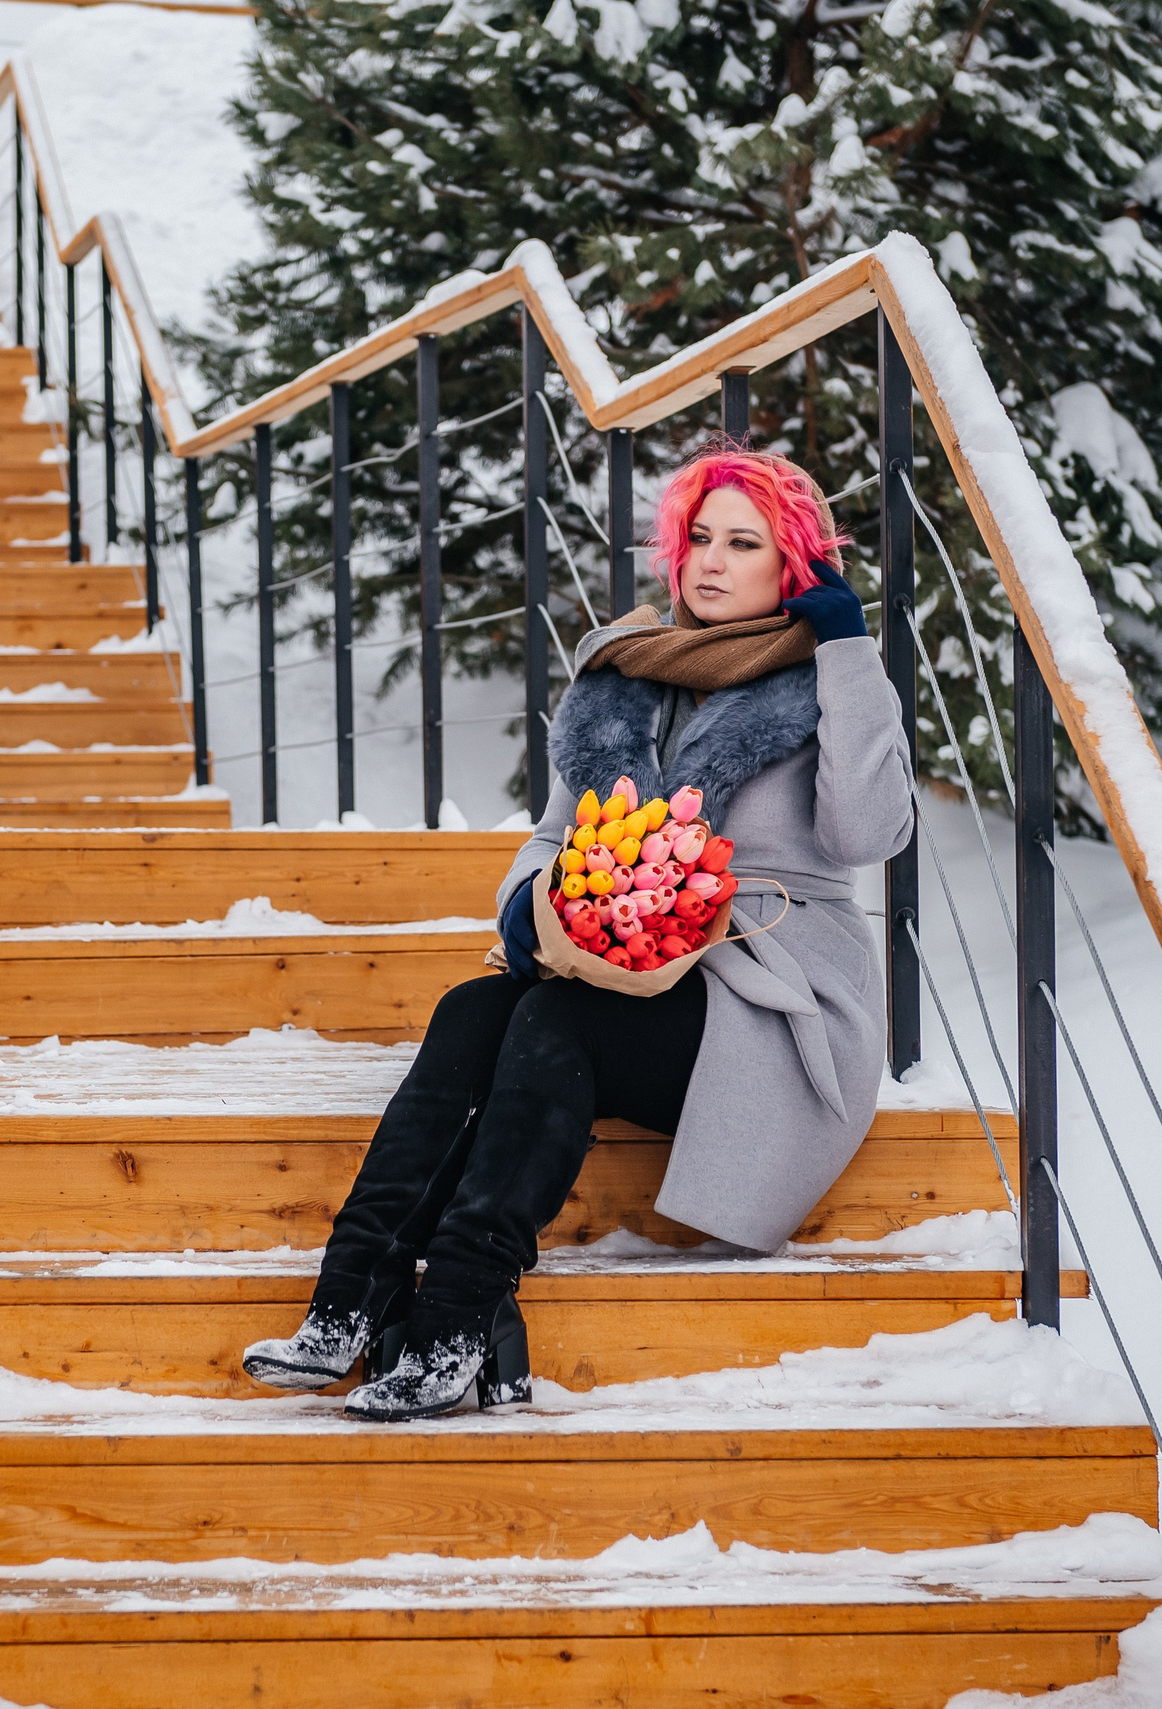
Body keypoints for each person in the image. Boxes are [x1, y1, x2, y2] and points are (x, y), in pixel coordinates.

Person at [241, 444, 914, 1422]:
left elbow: (868, 832)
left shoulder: (827, 684)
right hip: (626, 963)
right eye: (697, 538)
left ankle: (454, 1320)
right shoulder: (623, 674)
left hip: (770, 1002)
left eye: (743, 542)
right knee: (477, 1004)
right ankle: (350, 1296)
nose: (711, 562)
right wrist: (531, 902)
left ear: (794, 566)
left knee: (554, 1020)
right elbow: (554, 837)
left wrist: (849, 652)